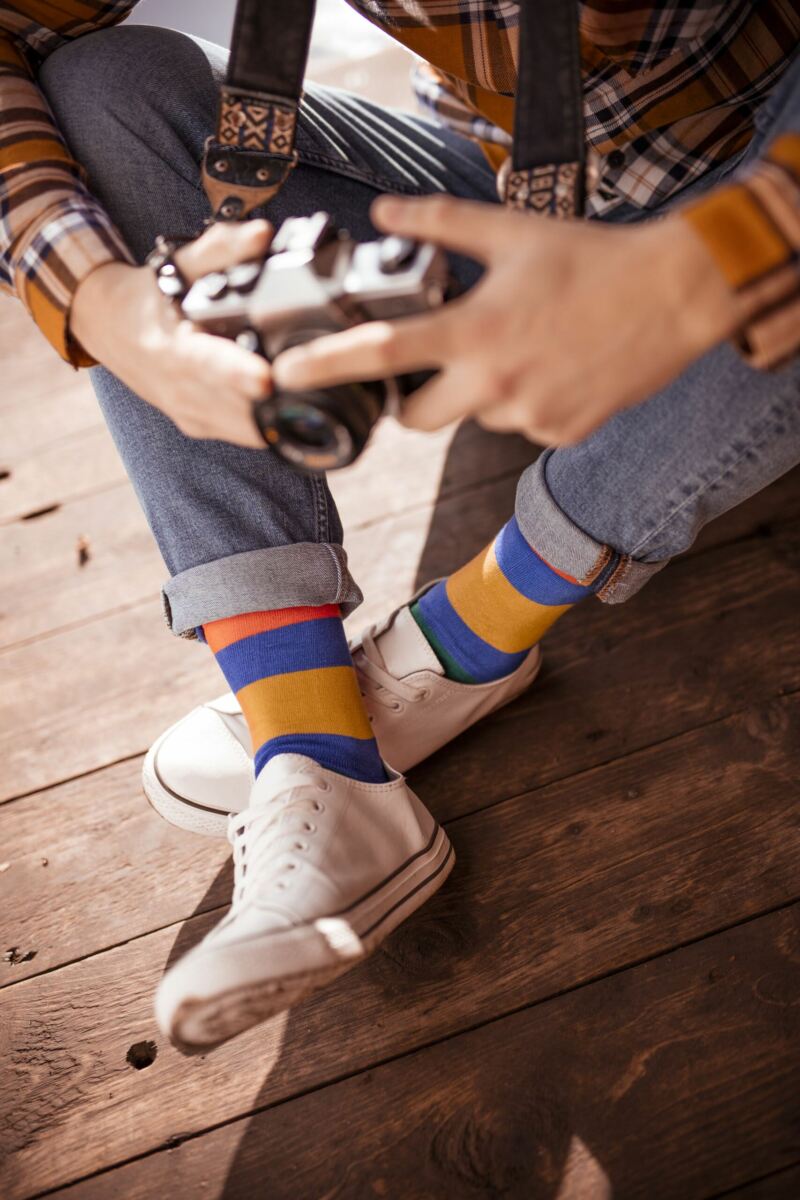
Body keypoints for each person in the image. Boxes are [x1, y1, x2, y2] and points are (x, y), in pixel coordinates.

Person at [2, 1, 798, 1053]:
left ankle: (464, 643)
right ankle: (316, 750)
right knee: (112, 84)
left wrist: (704, 263)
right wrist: (110, 305)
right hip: (500, 175)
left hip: (753, 156)